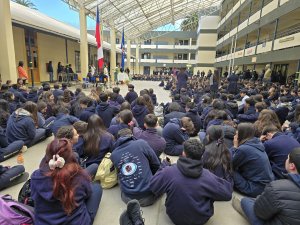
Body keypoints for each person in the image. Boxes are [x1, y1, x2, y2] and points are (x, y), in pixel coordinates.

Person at [150, 139, 233, 225]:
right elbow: (227, 194)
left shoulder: (168, 172)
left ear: (183, 153)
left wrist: (163, 166)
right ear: (201, 156)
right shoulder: (208, 176)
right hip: (201, 220)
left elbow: (153, 186)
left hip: (175, 218)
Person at [31, 138, 102, 225]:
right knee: (97, 188)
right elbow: (87, 194)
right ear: (71, 155)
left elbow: (34, 197)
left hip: (43, 222)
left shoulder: (36, 176)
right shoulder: (80, 176)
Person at [241, 147, 300, 225]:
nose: (286, 160)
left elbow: (260, 213)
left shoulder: (277, 187)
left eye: (287, 158)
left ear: (292, 166)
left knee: (246, 201)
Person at [111, 128, 160, 207]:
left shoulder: (113, 154)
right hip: (149, 196)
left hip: (127, 198)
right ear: (131, 136)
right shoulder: (141, 143)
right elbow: (156, 164)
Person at [231, 123, 274, 197]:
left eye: (237, 134)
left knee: (226, 166)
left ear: (242, 135)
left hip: (253, 188)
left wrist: (234, 147)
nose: (235, 136)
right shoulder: (258, 143)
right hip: (266, 186)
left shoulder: (244, 149)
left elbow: (230, 163)